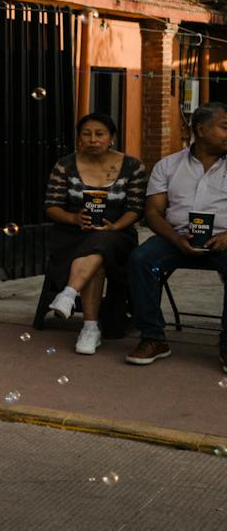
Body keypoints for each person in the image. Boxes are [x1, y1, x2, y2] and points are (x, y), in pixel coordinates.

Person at [126, 102, 227, 371]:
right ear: (201, 130)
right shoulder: (168, 165)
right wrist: (175, 239)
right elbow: (153, 213)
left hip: (223, 241)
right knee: (141, 260)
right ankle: (153, 337)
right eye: (225, 127)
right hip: (176, 238)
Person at [39, 113, 147, 355]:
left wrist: (115, 226)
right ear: (79, 138)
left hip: (118, 234)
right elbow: (52, 206)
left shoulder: (132, 166)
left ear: (111, 137)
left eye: (100, 134)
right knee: (97, 255)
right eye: (86, 134)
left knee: (102, 242)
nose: (93, 139)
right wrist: (73, 218)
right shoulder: (65, 165)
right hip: (72, 234)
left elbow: (136, 208)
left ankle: (70, 295)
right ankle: (89, 327)